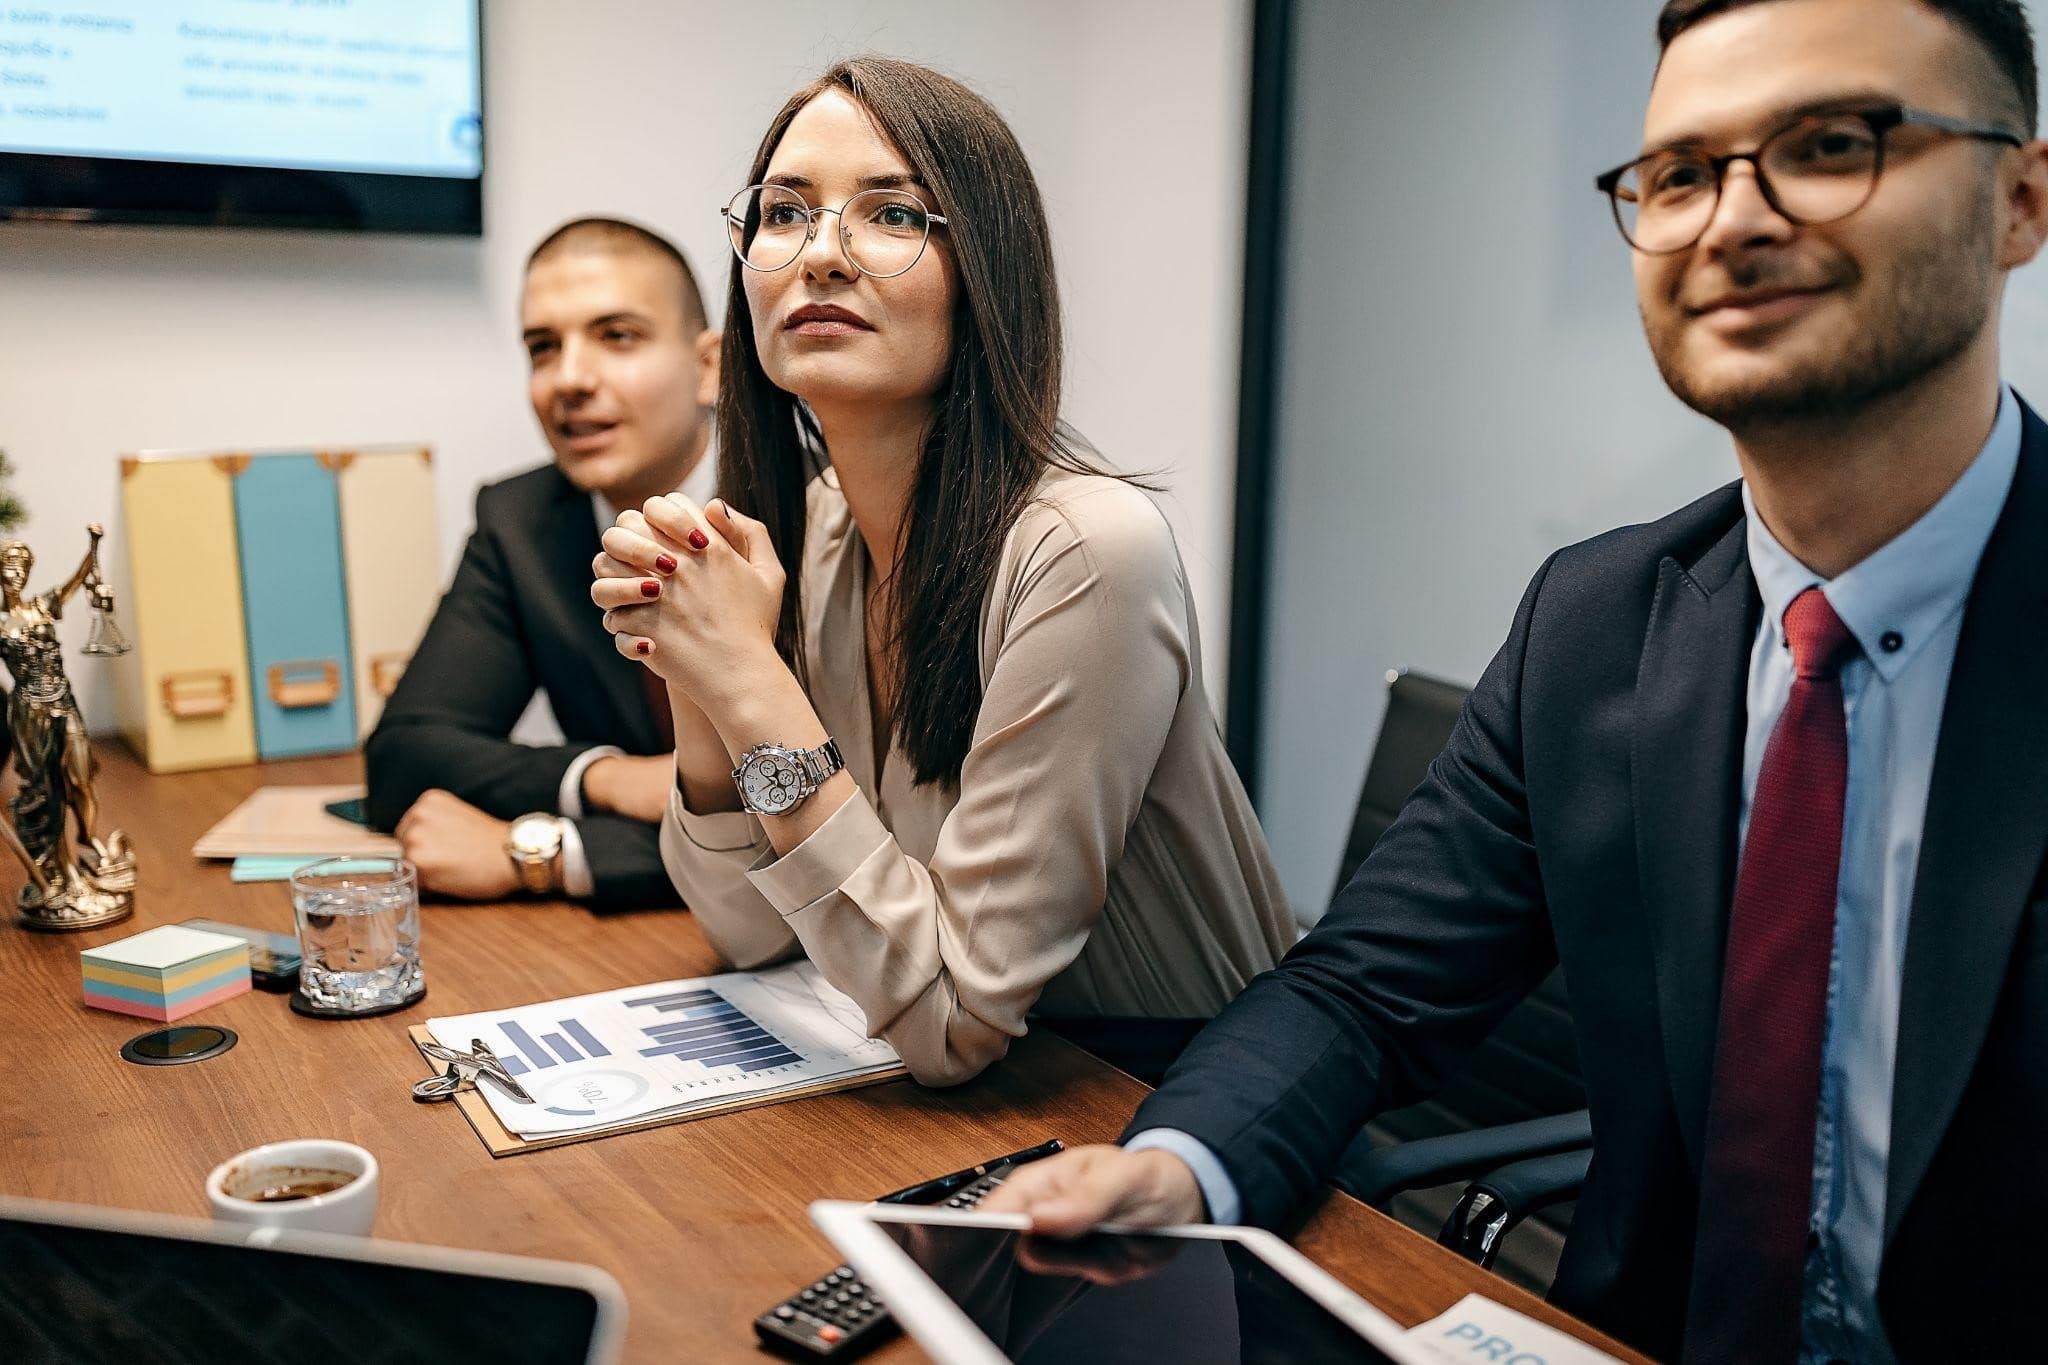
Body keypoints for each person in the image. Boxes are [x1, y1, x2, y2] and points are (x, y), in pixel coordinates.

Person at [985, 1, 2048, 1361]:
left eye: (1831, 144)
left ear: (2019, 201)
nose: (1733, 220)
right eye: (1678, 173)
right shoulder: (1598, 623)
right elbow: (1365, 990)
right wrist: (1184, 1165)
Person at [589, 56, 1296, 1086]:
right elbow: (748, 929)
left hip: (1165, 1101)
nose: (820, 255)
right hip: (995, 1095)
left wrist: (745, 673)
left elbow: (953, 1017)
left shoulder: (1088, 548)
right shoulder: (819, 529)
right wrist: (695, 665)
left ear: (985, 278)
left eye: (890, 215)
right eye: (784, 212)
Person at [365, 218, 719, 909]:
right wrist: (605, 779)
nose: (571, 379)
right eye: (543, 348)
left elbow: (830, 812)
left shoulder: (815, 505)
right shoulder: (521, 520)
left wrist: (551, 851)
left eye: (618, 336)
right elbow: (405, 757)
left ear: (709, 367)